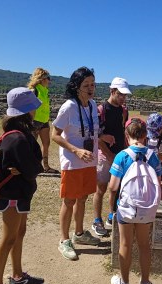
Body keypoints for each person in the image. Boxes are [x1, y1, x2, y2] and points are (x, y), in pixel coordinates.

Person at [0, 87, 44, 284]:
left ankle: (17, 276)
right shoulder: (18, 139)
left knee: (18, 234)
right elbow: (33, 167)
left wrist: (29, 167)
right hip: (12, 194)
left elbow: (28, 166)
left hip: (18, 193)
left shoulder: (17, 136)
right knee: (9, 238)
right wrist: (32, 167)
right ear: (27, 111)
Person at [108, 117, 162, 284]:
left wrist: (112, 209)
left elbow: (113, 187)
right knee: (144, 245)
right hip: (146, 209)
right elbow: (157, 182)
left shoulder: (122, 156)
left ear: (126, 135)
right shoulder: (152, 156)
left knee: (125, 244)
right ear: (145, 135)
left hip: (126, 209)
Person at [52, 67, 100, 261]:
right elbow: (54, 135)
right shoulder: (69, 107)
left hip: (89, 160)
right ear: (76, 87)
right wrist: (76, 150)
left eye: (93, 84)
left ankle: (79, 234)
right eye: (86, 85)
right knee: (70, 200)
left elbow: (91, 131)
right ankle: (64, 240)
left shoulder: (93, 105)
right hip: (73, 161)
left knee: (83, 198)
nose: (91, 88)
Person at [92, 77, 131, 236]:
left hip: (120, 153)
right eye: (120, 94)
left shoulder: (124, 110)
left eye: (125, 95)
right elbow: (95, 135)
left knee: (117, 188)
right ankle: (96, 220)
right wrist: (108, 154)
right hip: (104, 154)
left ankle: (112, 214)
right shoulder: (101, 110)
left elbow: (123, 131)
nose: (123, 98)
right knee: (100, 188)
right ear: (112, 91)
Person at [27, 67, 59, 174]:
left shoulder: (45, 91)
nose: (49, 80)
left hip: (44, 121)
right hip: (34, 122)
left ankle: (45, 166)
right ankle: (29, 166)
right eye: (48, 78)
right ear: (42, 79)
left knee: (46, 144)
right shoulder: (34, 90)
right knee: (32, 145)